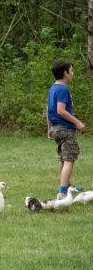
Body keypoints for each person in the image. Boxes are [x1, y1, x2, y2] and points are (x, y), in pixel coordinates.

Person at [47, 59, 85, 195]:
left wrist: (49, 128)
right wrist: (77, 122)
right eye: (72, 70)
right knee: (69, 159)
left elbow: (48, 109)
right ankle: (62, 192)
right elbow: (60, 110)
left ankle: (66, 185)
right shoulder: (63, 89)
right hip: (65, 129)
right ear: (65, 73)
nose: (73, 73)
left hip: (56, 128)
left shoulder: (53, 88)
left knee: (63, 157)